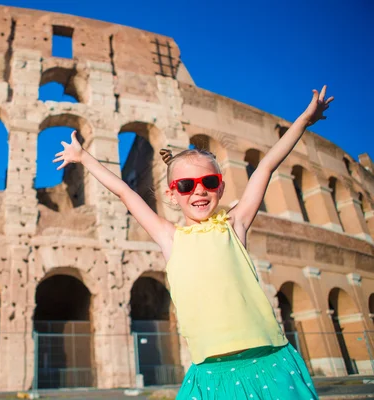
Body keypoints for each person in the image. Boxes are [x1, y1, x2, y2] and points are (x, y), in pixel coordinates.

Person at [53, 86, 333, 399]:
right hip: (210, 372)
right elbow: (125, 192)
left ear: (221, 187)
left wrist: (304, 121)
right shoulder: (169, 237)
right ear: (172, 194)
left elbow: (266, 166)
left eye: (208, 183)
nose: (199, 191)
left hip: (269, 360)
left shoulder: (234, 225)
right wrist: (83, 157)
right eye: (186, 185)